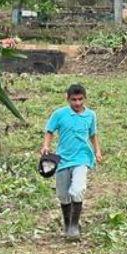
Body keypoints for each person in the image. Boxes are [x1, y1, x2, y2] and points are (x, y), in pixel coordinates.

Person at [40, 83, 101, 240]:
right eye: (74, 100)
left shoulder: (91, 115)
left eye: (80, 99)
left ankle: (74, 226)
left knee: (78, 190)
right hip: (62, 159)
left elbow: (93, 134)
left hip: (82, 158)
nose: (77, 103)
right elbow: (49, 131)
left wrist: (97, 151)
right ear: (67, 99)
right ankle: (67, 224)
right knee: (63, 194)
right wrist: (46, 146)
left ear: (85, 98)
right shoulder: (59, 114)